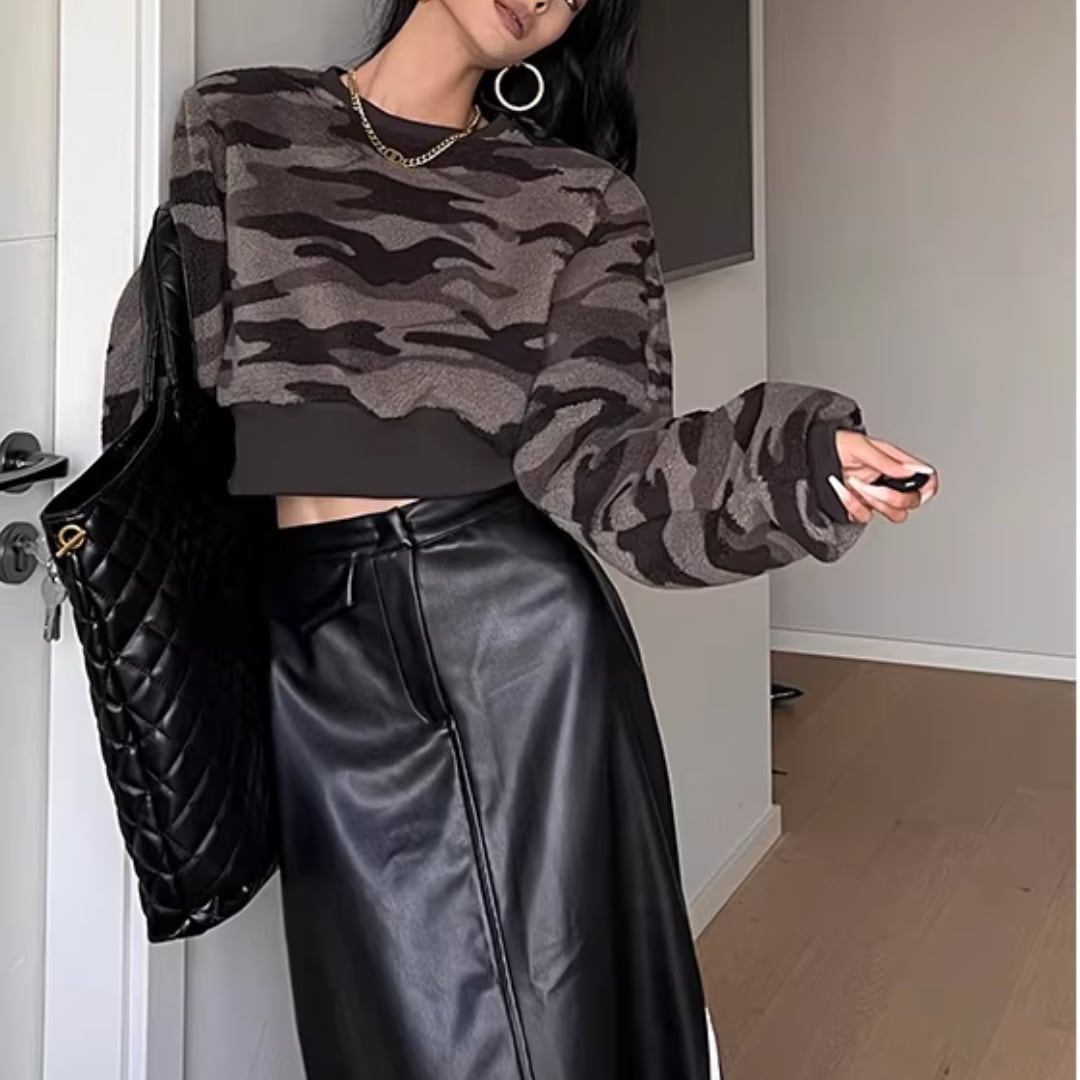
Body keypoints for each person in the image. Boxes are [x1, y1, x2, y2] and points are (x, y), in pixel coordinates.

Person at [100, 0, 939, 1077]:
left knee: (561, 1032)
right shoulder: (241, 121)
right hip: (314, 653)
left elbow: (609, 465)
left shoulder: (579, 198)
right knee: (382, 1040)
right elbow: (164, 407)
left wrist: (798, 465)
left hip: (513, 651)